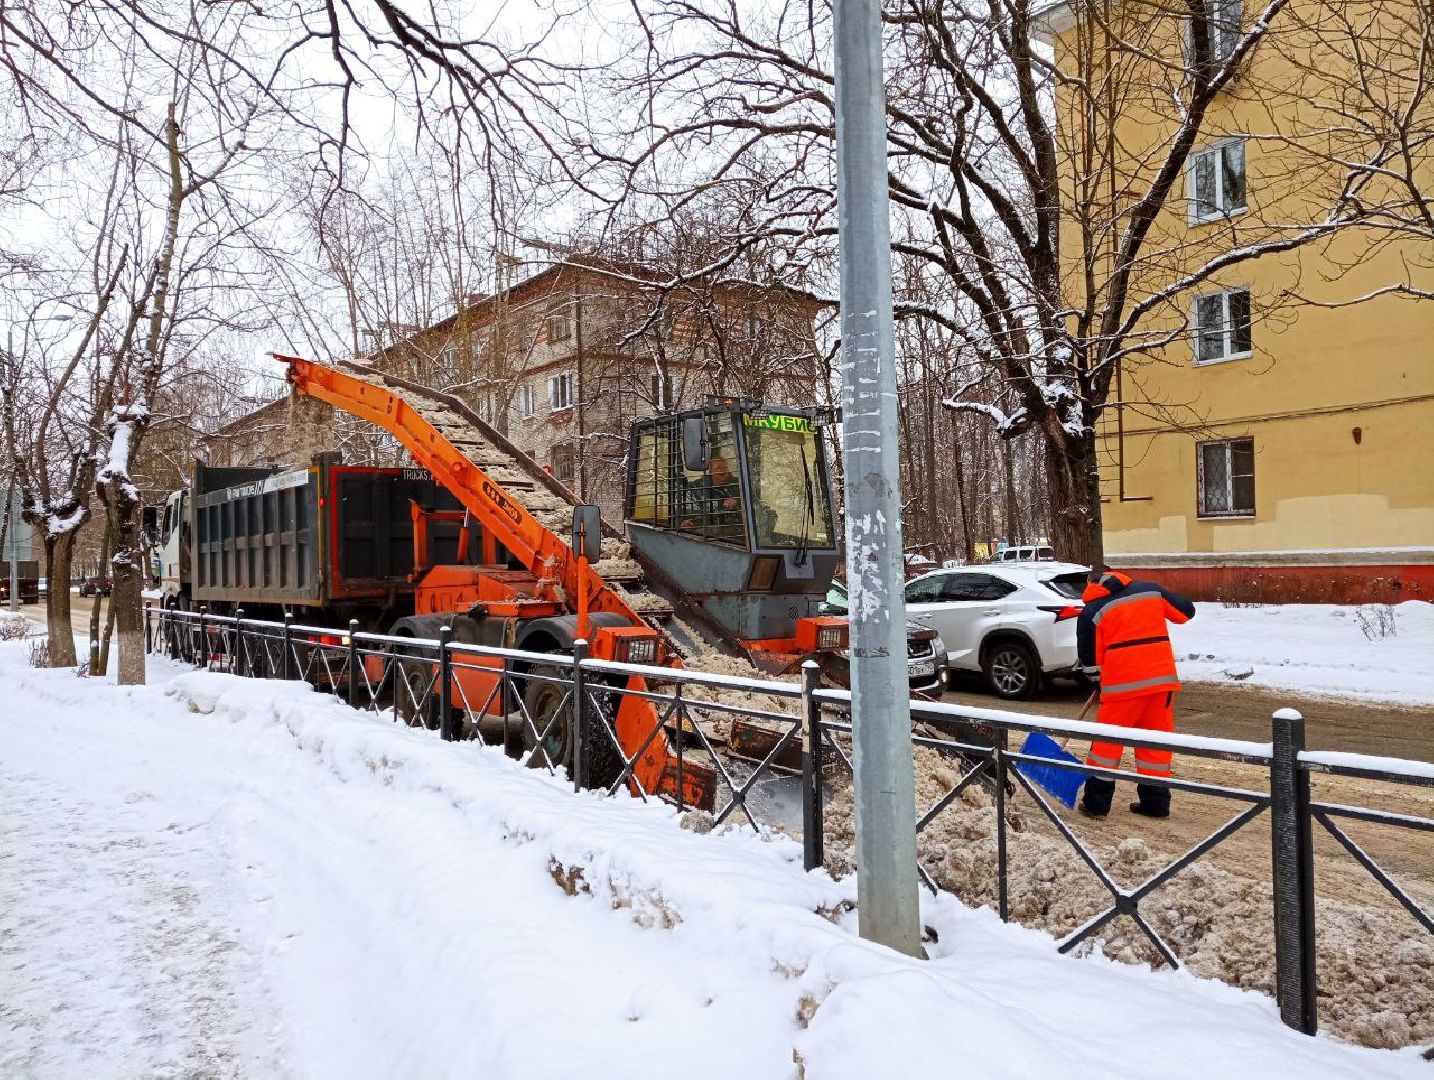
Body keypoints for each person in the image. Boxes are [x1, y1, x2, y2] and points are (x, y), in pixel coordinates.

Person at [1076, 566, 1196, 820]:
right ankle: (1156, 804)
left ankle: (1097, 806)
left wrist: (1097, 681)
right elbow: (1186, 612)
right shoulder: (1150, 591)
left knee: (1106, 749)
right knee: (1155, 747)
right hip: (1160, 684)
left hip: (1120, 690)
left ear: (1091, 583)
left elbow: (1089, 661)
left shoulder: (1092, 611)